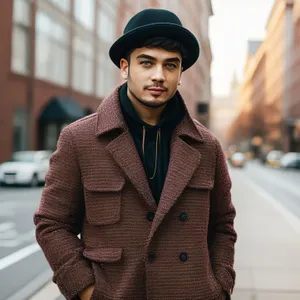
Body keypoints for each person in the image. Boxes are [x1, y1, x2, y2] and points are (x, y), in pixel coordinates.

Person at [34, 8, 237, 300]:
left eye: (170, 65)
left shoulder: (207, 146)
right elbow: (52, 224)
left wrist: (220, 286)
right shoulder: (80, 139)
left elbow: (223, 226)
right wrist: (87, 290)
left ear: (180, 75)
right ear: (125, 67)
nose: (159, 75)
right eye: (147, 62)